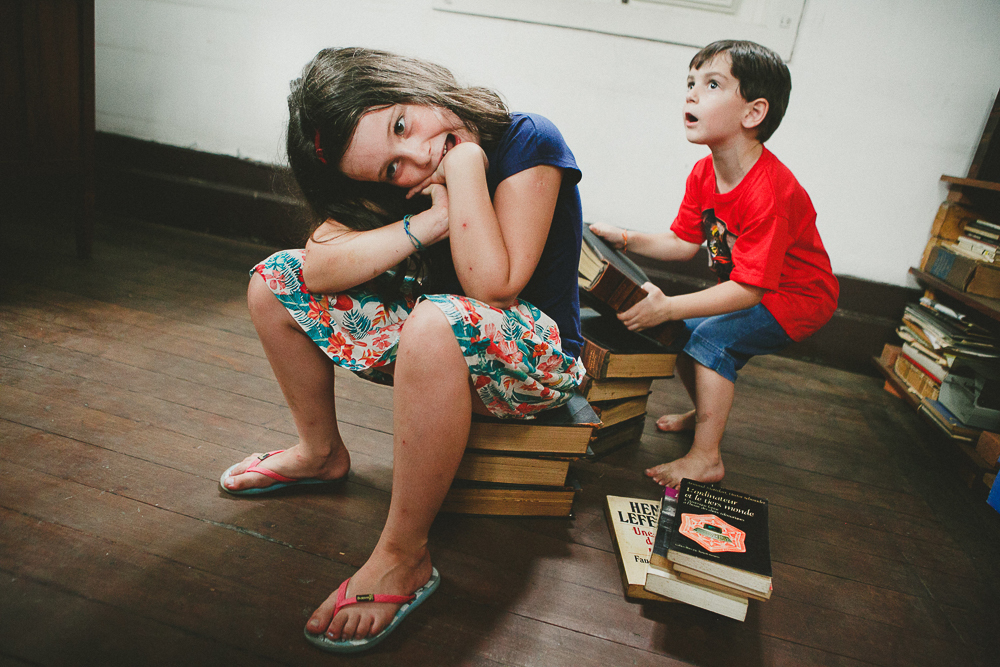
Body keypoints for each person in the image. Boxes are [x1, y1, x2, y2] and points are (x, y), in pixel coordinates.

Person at [217, 48, 585, 652]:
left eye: (401, 125)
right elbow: (318, 267)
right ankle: (319, 451)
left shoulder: (525, 141)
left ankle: (403, 554)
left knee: (436, 319)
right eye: (390, 170)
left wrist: (466, 167)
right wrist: (424, 223)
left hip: (533, 359)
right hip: (432, 346)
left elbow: (494, 288)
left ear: (409, 84)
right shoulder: (410, 179)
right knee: (272, 281)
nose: (416, 157)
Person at [590, 39, 838, 490]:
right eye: (690, 82)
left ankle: (707, 457)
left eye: (711, 84)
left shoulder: (770, 192)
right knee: (686, 334)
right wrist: (625, 239)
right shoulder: (705, 173)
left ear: (752, 113)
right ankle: (705, 411)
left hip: (797, 297)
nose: (690, 93)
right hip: (755, 286)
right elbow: (684, 242)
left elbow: (750, 290)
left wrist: (668, 306)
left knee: (709, 341)